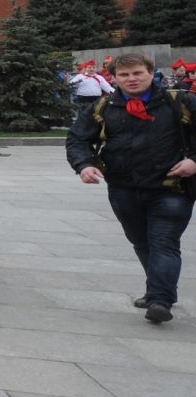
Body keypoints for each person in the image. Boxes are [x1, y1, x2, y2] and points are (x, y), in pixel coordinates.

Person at [68, 52, 196, 325]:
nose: (131, 79)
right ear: (115, 78)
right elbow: (78, 139)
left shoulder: (180, 102)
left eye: (137, 73)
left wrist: (193, 162)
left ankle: (160, 300)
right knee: (141, 241)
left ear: (151, 73)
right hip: (124, 188)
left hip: (171, 187)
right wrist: (84, 165)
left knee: (163, 242)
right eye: (124, 75)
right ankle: (158, 291)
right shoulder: (104, 107)